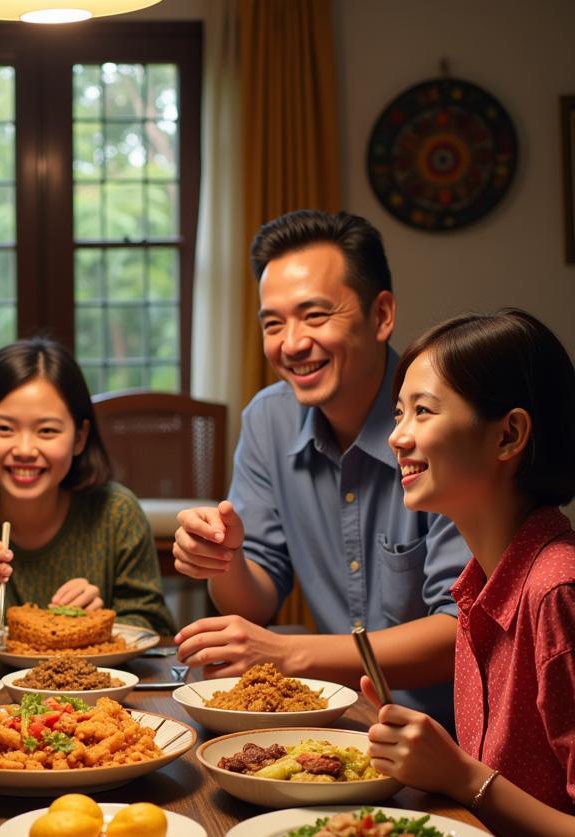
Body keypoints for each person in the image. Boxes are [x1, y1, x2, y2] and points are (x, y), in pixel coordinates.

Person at [172, 210, 469, 727]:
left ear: (381, 316)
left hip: (447, 737)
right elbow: (256, 600)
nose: (291, 343)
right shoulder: (269, 419)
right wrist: (226, 558)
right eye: (273, 323)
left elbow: (460, 631)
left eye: (314, 316)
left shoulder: (442, 423)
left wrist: (292, 655)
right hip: (334, 723)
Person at [363, 308, 575, 837]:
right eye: (398, 412)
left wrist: (462, 777)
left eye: (423, 412)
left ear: (508, 434)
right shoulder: (478, 584)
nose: (397, 437)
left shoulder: (557, 589)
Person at [0, 339, 175, 647]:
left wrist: (99, 620)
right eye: (3, 428)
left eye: (47, 431)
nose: (25, 450)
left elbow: (153, 628)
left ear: (80, 438)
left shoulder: (115, 511)